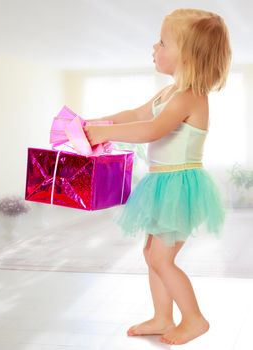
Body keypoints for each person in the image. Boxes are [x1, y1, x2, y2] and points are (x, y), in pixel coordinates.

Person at [83, 8, 231, 345]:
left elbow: (152, 129)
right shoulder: (169, 93)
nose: (154, 47)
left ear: (188, 55)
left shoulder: (190, 96)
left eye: (163, 42)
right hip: (162, 183)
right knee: (152, 253)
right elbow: (136, 114)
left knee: (161, 257)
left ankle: (194, 319)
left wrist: (103, 135)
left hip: (179, 184)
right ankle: (163, 317)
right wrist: (98, 122)